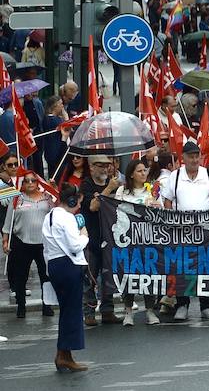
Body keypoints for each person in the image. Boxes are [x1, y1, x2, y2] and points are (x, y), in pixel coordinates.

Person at [157, 142, 209, 321]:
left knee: (205, 266)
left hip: (205, 230)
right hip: (181, 230)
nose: (194, 159)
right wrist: (173, 219)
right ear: (184, 158)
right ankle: (182, 305)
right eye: (191, 156)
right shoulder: (175, 176)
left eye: (197, 156)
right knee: (182, 267)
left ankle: (207, 305)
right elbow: (167, 200)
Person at [44, 184, 89, 372]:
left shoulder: (49, 216)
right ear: (72, 200)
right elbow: (74, 246)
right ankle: (64, 356)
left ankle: (64, 353)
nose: (78, 206)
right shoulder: (68, 218)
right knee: (72, 311)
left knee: (67, 310)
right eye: (78, 202)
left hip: (54, 265)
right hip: (68, 265)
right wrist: (85, 235)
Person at [113, 158, 160, 325]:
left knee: (149, 275)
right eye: (139, 171)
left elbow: (161, 213)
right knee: (129, 276)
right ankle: (128, 312)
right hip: (129, 241)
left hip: (148, 240)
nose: (143, 173)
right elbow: (116, 210)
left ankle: (150, 311)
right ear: (131, 174)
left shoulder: (152, 191)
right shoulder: (122, 191)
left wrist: (156, 207)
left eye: (145, 170)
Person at [3, 168, 54, 319]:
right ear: (23, 184)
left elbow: (56, 214)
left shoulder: (47, 198)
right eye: (27, 181)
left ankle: (47, 305)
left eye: (33, 180)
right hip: (21, 242)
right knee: (21, 276)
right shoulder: (16, 199)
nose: (30, 183)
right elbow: (8, 222)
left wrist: (54, 189)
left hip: (43, 243)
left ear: (38, 182)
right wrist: (5, 241)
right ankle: (21, 306)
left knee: (46, 275)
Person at [78, 155, 118, 327]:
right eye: (100, 166)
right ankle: (89, 312)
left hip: (109, 238)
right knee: (90, 278)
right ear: (91, 167)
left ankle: (108, 310)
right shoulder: (86, 184)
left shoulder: (114, 182)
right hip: (91, 239)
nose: (104, 169)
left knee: (108, 276)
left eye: (106, 165)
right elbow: (93, 206)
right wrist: (108, 189)